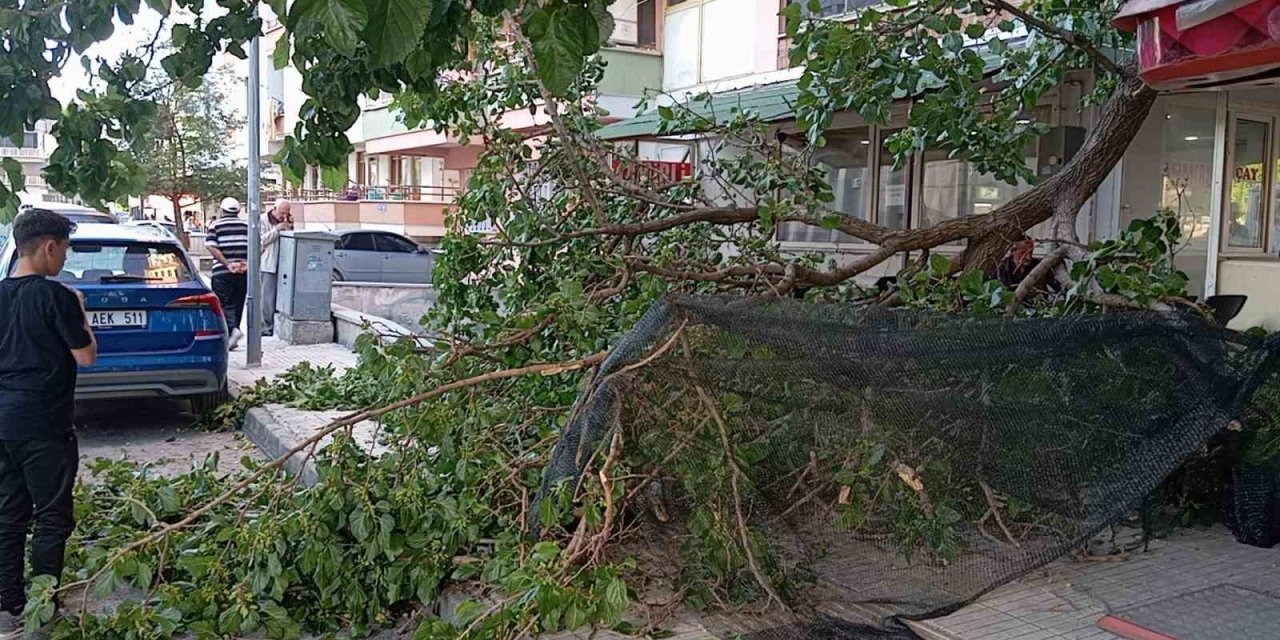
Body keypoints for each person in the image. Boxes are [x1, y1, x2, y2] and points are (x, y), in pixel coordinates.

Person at [0, 209, 97, 636]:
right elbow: (86, 356)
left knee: (8, 516)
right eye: (66, 249)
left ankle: (9, 607)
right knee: (52, 516)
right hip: (44, 424)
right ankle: (43, 606)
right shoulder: (57, 297)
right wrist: (81, 312)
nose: (65, 258)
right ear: (49, 247)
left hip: (2, 422)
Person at [206, 197, 249, 350]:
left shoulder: (215, 226)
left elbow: (212, 247)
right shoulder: (247, 225)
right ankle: (233, 335)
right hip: (243, 272)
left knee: (224, 302)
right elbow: (258, 245)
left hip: (222, 272)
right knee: (238, 303)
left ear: (222, 210)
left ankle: (232, 330)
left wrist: (227, 263)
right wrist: (246, 263)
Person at [259, 199, 292, 336]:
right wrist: (277, 230)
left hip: (284, 264)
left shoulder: (286, 221)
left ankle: (276, 325)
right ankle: (265, 327)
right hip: (268, 264)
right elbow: (260, 240)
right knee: (267, 298)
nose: (283, 216)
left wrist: (290, 226)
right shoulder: (262, 220)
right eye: (282, 213)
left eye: (287, 213)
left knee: (280, 297)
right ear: (274, 209)